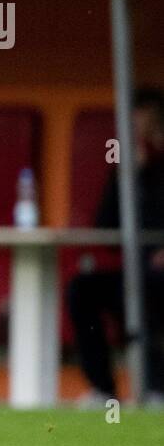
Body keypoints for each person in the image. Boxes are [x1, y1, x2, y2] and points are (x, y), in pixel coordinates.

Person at [67, 87, 164, 406]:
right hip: (139, 270)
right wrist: (128, 176)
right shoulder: (134, 167)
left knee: (144, 289)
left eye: (143, 116)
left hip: (156, 273)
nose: (137, 123)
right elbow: (105, 228)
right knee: (82, 290)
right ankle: (105, 391)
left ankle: (155, 387)